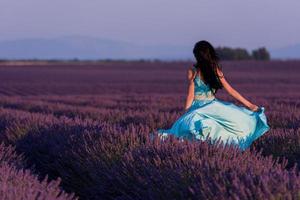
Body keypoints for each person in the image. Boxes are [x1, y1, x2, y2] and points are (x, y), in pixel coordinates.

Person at [155, 40, 270, 151]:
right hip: (213, 106)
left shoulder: (192, 71)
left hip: (198, 107)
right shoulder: (215, 70)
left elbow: (190, 95)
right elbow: (230, 90)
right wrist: (250, 105)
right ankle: (217, 151)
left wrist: (185, 113)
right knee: (229, 126)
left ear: (197, 56)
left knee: (193, 130)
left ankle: (202, 152)